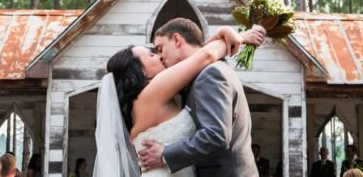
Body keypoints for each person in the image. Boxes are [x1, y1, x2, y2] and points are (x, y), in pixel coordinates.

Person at [99, 18, 264, 177]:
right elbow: (205, 56)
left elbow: (196, 58)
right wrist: (239, 37)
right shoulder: (152, 92)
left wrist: (224, 34)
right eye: (151, 55)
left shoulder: (151, 96)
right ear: (140, 72)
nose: (159, 56)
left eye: (158, 50)